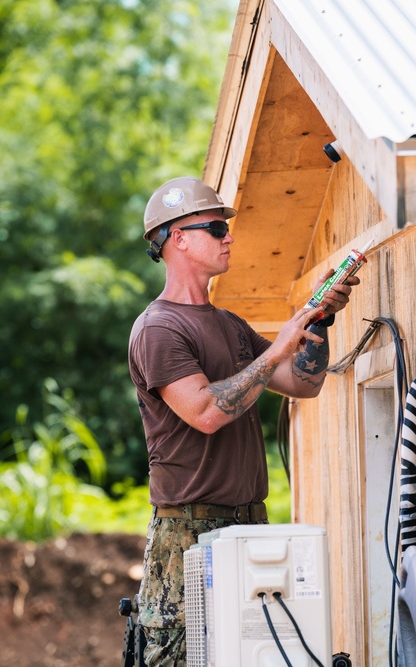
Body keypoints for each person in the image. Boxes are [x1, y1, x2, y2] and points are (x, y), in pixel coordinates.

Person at [127, 176, 359, 665]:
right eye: (215, 227)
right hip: (188, 534)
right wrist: (277, 347)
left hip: (250, 523)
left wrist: (316, 323)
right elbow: (207, 412)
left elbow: (303, 383)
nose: (228, 235)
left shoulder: (229, 325)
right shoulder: (158, 328)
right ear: (178, 239)